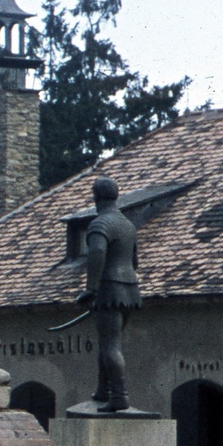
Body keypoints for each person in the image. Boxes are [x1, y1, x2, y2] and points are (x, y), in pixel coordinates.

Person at [76, 176, 139, 412]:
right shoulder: (127, 224)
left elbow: (97, 252)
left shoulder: (100, 223)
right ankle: (103, 390)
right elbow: (135, 261)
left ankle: (119, 395)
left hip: (109, 289)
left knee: (110, 345)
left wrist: (91, 288)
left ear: (95, 197)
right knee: (108, 343)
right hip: (130, 290)